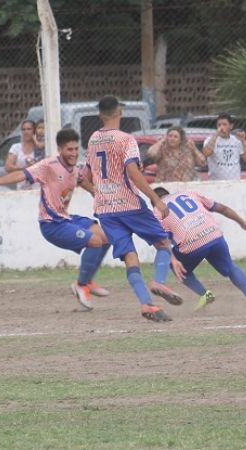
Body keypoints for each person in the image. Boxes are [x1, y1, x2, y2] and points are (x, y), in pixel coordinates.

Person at [0, 128, 111, 311]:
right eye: (69, 150)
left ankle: (87, 280)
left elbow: (81, 180)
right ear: (60, 149)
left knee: (107, 236)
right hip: (51, 224)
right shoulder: (48, 165)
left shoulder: (74, 169)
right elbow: (22, 174)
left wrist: (96, 193)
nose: (74, 153)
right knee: (95, 241)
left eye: (76, 149)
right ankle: (81, 285)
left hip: (66, 219)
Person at [83, 96, 184, 322]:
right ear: (119, 113)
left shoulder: (93, 140)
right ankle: (159, 281)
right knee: (163, 243)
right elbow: (133, 171)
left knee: (130, 256)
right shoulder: (126, 139)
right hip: (129, 203)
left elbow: (83, 177)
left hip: (105, 210)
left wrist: (98, 192)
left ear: (100, 115)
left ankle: (147, 305)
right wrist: (155, 200)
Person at [152, 187, 246, 310]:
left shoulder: (157, 211)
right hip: (214, 235)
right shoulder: (189, 193)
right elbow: (222, 208)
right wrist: (242, 222)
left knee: (176, 266)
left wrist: (173, 259)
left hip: (191, 244)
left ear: (153, 201)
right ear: (168, 193)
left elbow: (162, 240)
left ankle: (204, 294)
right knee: (230, 267)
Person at [202, 113, 246, 180]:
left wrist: (243, 141)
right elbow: (206, 153)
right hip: (216, 182)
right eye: (219, 125)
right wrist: (216, 135)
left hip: (235, 180)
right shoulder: (210, 140)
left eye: (224, 124)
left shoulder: (236, 140)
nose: (221, 127)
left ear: (231, 126)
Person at [5, 119, 44, 189]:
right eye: (23, 129)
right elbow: (8, 167)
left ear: (34, 131)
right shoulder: (16, 147)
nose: (26, 132)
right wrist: (25, 168)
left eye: (29, 129)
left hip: (39, 188)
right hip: (22, 188)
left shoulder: (40, 148)